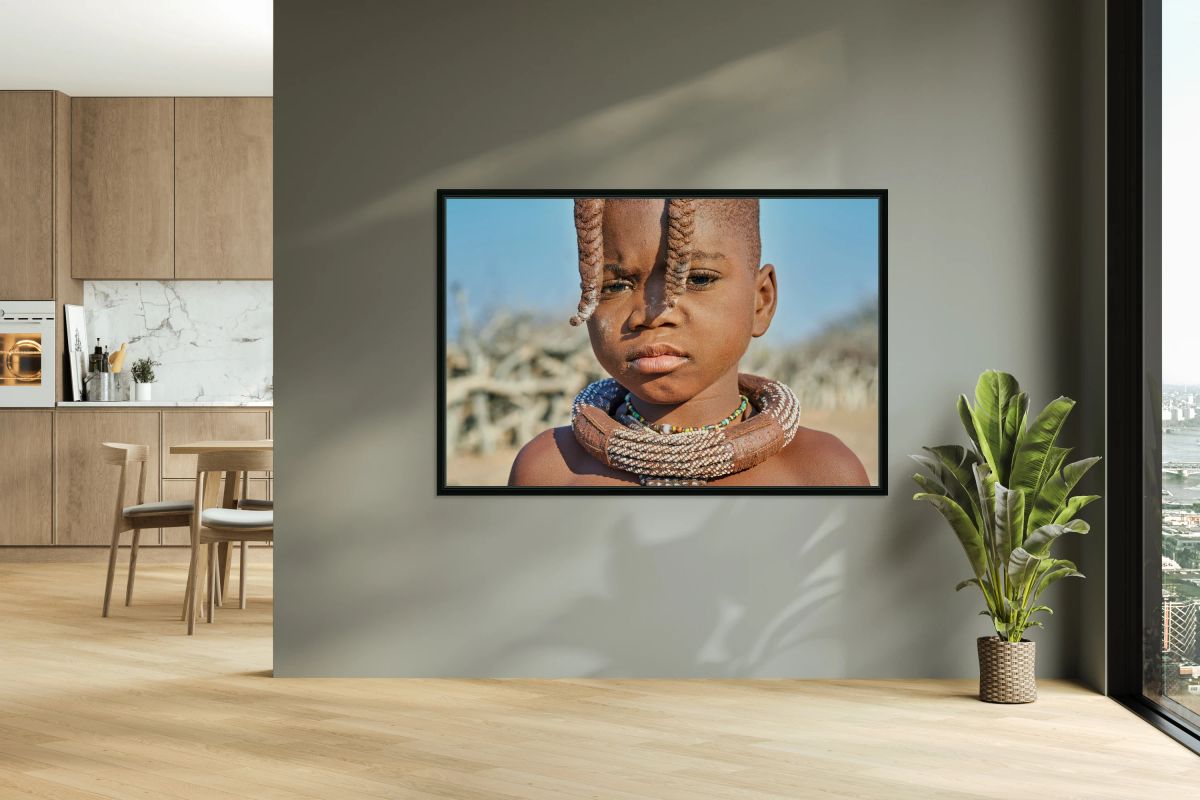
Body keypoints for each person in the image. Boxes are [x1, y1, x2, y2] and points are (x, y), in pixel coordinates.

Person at [508, 197, 869, 487]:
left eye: (697, 279)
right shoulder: (549, 469)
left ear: (761, 301)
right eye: (614, 286)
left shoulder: (822, 472)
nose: (652, 315)